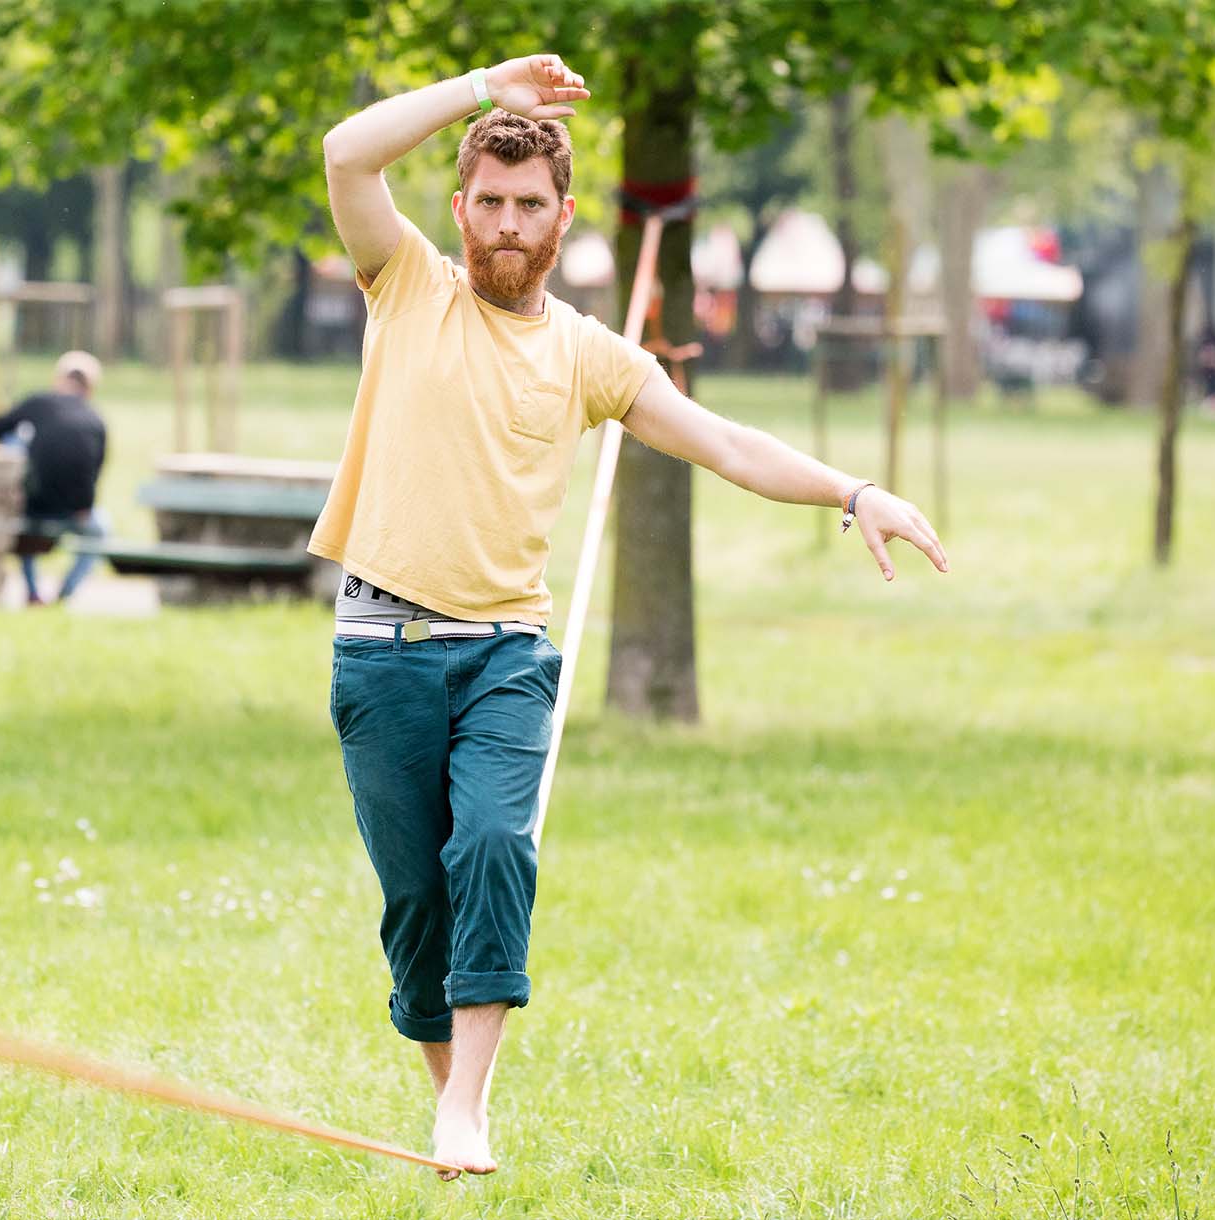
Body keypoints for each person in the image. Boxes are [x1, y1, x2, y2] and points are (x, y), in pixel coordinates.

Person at [310, 54, 950, 1179]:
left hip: (506, 649)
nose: (509, 224)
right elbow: (345, 152)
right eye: (492, 203)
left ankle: (467, 1108)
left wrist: (855, 491)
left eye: (531, 206)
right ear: (459, 208)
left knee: (498, 844)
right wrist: (478, 91)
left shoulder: (589, 354)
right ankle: (454, 1101)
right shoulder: (405, 281)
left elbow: (729, 443)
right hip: (383, 647)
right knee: (418, 904)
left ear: (564, 219)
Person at [0, 351, 109, 605]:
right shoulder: (96, 420)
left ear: (59, 379)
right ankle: (65, 593)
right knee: (102, 530)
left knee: (16, 441)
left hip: (33, 506)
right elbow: (94, 471)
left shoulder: (39, 403)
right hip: (77, 511)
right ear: (91, 387)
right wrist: (84, 506)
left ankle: (32, 592)